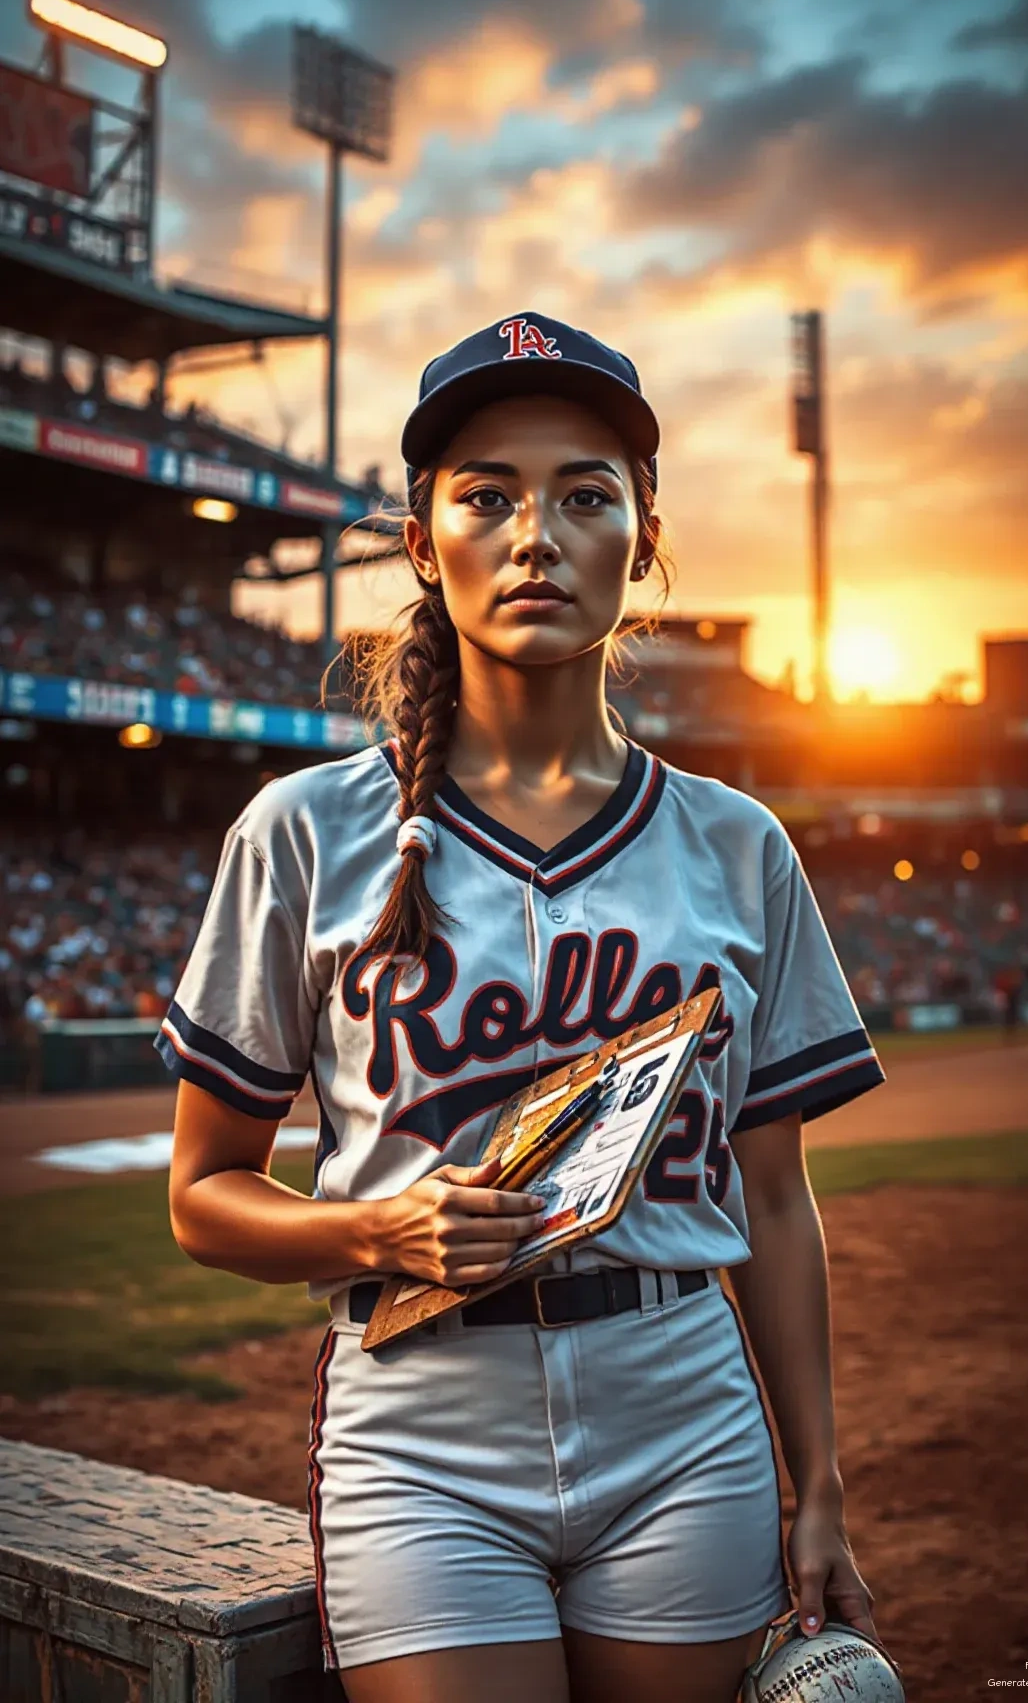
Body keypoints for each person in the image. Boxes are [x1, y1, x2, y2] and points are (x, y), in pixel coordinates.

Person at [161, 313, 890, 1703]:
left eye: (585, 496)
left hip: (684, 1413)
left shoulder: (738, 844)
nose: (535, 536)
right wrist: (378, 1228)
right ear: (422, 543)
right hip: (423, 1430)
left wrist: (820, 1486)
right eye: (487, 496)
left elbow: (774, 1198)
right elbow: (203, 1196)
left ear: (644, 538)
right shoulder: (303, 830)